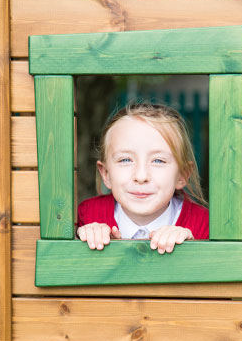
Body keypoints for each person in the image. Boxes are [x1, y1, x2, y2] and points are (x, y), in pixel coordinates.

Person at [77, 102, 208, 254]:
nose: (141, 176)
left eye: (158, 161)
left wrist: (190, 251)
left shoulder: (203, 224)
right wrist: (85, 239)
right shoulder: (87, 215)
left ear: (182, 175)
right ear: (106, 174)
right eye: (125, 160)